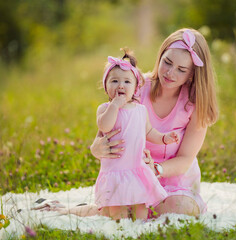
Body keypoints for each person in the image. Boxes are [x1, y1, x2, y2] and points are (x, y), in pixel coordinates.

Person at [48, 28, 218, 218]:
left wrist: (155, 169)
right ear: (160, 56)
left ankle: (121, 212)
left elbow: (185, 159)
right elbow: (106, 130)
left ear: (192, 74)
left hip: (173, 183)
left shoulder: (195, 104)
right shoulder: (136, 87)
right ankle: (70, 211)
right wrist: (97, 147)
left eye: (181, 69)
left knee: (182, 207)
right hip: (133, 177)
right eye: (167, 62)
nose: (170, 72)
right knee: (121, 208)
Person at [95, 51, 180, 220]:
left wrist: (163, 138)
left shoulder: (140, 110)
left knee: (140, 206)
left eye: (127, 82)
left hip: (136, 166)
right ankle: (121, 229)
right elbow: (104, 126)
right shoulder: (105, 109)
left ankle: (139, 230)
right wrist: (114, 106)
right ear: (106, 86)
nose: (121, 85)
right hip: (116, 169)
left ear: (135, 88)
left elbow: (148, 131)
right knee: (117, 207)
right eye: (114, 81)